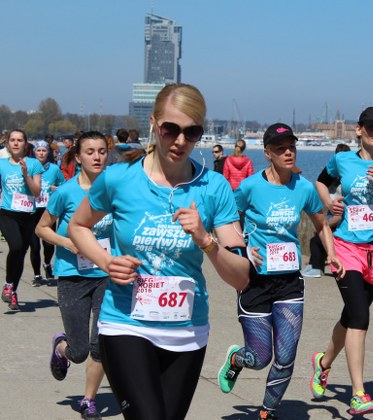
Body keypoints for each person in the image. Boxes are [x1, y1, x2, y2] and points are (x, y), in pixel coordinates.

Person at [67, 83, 250, 420]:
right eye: (171, 129)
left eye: (192, 132)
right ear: (154, 124)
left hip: (187, 331)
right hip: (126, 324)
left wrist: (205, 240)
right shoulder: (118, 178)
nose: (180, 140)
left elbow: (241, 277)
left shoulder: (214, 187)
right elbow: (78, 226)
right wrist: (106, 261)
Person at [217, 123, 344, 420]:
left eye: (292, 147)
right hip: (255, 281)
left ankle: (267, 411)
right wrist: (241, 247)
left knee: (285, 357)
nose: (288, 152)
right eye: (280, 148)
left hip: (289, 281)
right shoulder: (250, 187)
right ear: (267, 153)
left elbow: (321, 223)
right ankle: (237, 358)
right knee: (259, 357)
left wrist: (333, 254)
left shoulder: (304, 187)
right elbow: (226, 219)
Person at [310, 107, 373, 415]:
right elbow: (320, 182)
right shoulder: (343, 160)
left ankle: (323, 363)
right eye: (371, 127)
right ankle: (358, 393)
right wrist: (329, 202)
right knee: (360, 317)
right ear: (359, 130)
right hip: (346, 247)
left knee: (351, 316)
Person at [36, 131, 111, 420]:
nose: (97, 157)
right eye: (90, 152)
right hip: (72, 276)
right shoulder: (66, 192)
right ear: (78, 157)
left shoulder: (115, 190)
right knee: (79, 351)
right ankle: (61, 347)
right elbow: (42, 228)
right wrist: (68, 241)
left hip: (107, 275)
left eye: (102, 151)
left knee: (100, 344)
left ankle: (88, 400)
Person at [0, 129, 43, 310]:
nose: (16, 143)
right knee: (16, 246)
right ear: (7, 144)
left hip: (28, 215)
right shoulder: (1, 164)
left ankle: (12, 290)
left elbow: (37, 192)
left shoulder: (34, 164)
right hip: (7, 213)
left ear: (25, 144)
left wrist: (26, 174)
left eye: (20, 140)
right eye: (13, 140)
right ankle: (9, 284)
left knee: (20, 255)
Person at [302, 143, 351, 278]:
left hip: (341, 220)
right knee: (319, 236)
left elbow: (340, 215)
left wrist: (325, 225)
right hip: (335, 216)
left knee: (317, 239)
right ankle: (313, 265)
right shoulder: (336, 178)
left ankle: (316, 268)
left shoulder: (343, 183)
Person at [29, 140, 65, 286]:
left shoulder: (54, 169)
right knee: (34, 245)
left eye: (44, 150)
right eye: (39, 150)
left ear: (48, 152)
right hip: (32, 210)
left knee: (49, 243)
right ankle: (37, 275)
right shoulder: (29, 167)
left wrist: (56, 188)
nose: (41, 153)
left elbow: (63, 185)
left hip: (48, 210)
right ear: (34, 152)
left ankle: (47, 264)